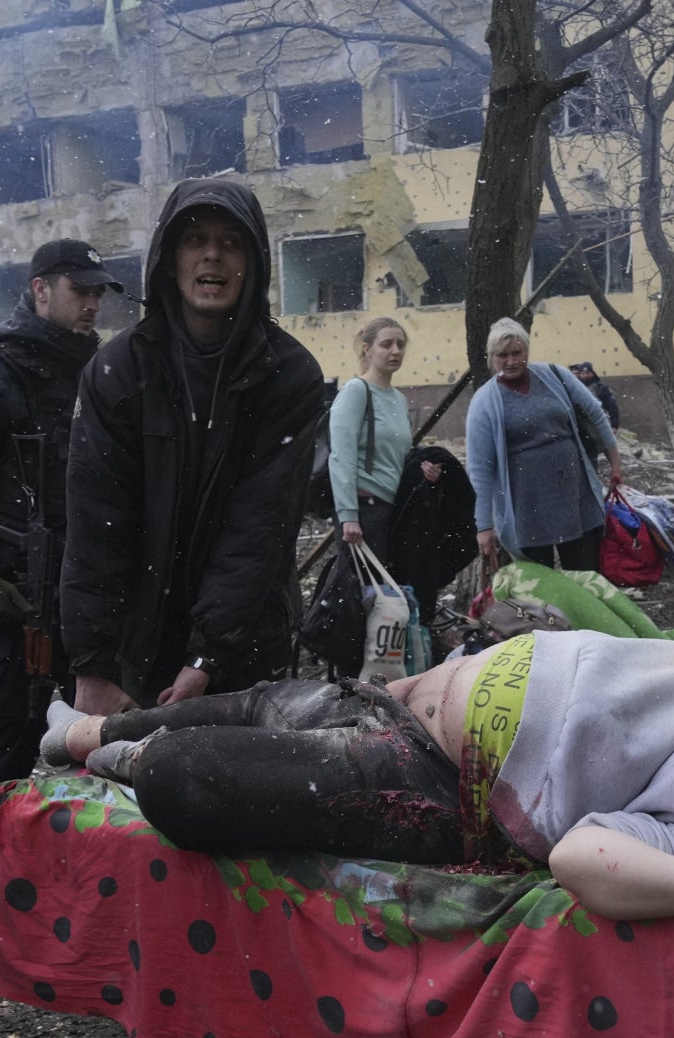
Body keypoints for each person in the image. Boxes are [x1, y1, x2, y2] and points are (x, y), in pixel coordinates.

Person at [43, 602, 674, 971]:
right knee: (278, 702)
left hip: (440, 781)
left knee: (188, 774)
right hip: (427, 688)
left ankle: (121, 757)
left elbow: (580, 858)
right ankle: (90, 732)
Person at [62, 178, 325, 714]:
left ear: (253, 261)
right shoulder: (117, 371)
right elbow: (96, 527)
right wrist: (92, 663)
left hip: (248, 643)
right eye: (195, 239)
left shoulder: (289, 374)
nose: (212, 254)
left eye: (231, 241)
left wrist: (208, 656)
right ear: (169, 258)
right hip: (139, 643)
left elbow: (259, 527)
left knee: (241, 791)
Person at [0, 239, 122, 786]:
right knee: (11, 738)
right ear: (40, 290)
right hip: (18, 593)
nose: (92, 303)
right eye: (81, 290)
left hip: (94, 595)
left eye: (99, 292)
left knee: (100, 740)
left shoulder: (105, 373)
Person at [329, 316, 472, 617]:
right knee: (363, 599)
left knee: (390, 597)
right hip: (365, 511)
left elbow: (400, 455)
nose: (395, 351)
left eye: (400, 345)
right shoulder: (356, 392)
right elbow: (340, 456)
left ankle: (387, 661)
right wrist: (348, 516)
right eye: (386, 345)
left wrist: (423, 471)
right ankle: (353, 664)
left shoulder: (396, 398)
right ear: (367, 350)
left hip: (396, 511)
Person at [466, 317, 623, 572]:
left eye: (517, 353)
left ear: (527, 350)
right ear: (491, 357)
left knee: (585, 575)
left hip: (574, 495)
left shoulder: (554, 375)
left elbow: (595, 413)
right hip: (527, 505)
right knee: (540, 584)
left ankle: (582, 613)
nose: (511, 361)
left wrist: (615, 462)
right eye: (502, 355)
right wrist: (484, 525)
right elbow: (480, 468)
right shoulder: (484, 402)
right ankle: (549, 614)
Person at [570, 359, 621, 435]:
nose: (585, 375)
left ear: (592, 373)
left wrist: (614, 425)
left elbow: (611, 406)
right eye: (582, 373)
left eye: (587, 373)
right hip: (582, 425)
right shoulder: (575, 388)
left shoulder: (601, 388)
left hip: (600, 422)